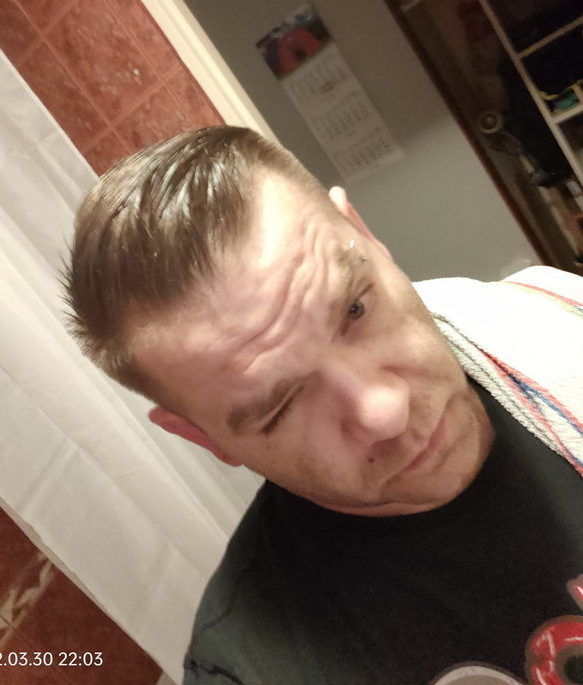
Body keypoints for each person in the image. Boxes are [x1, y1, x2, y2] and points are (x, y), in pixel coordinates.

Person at [65, 126, 583, 685]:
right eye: (281, 407)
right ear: (202, 436)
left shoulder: (561, 312)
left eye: (355, 310)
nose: (385, 412)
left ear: (364, 233)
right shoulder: (249, 670)